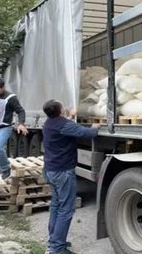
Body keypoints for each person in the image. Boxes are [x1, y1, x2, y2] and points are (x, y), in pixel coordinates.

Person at [42, 99, 99, 254]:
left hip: (50, 170)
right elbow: (88, 133)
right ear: (60, 110)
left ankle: (53, 242)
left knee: (56, 206)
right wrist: (95, 127)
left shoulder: (48, 123)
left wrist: (70, 117)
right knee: (66, 210)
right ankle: (57, 248)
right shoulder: (64, 125)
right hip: (63, 173)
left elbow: (65, 126)